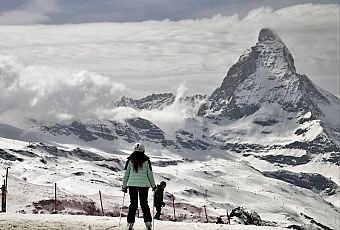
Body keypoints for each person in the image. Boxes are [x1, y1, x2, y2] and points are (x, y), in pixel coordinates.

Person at [122, 143, 156, 230]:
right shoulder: (146, 161)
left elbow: (126, 174)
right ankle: (148, 223)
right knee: (144, 204)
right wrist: (153, 186)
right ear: (143, 150)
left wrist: (124, 186)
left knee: (133, 204)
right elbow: (150, 174)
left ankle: (130, 224)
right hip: (144, 185)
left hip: (132, 185)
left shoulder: (130, 160)